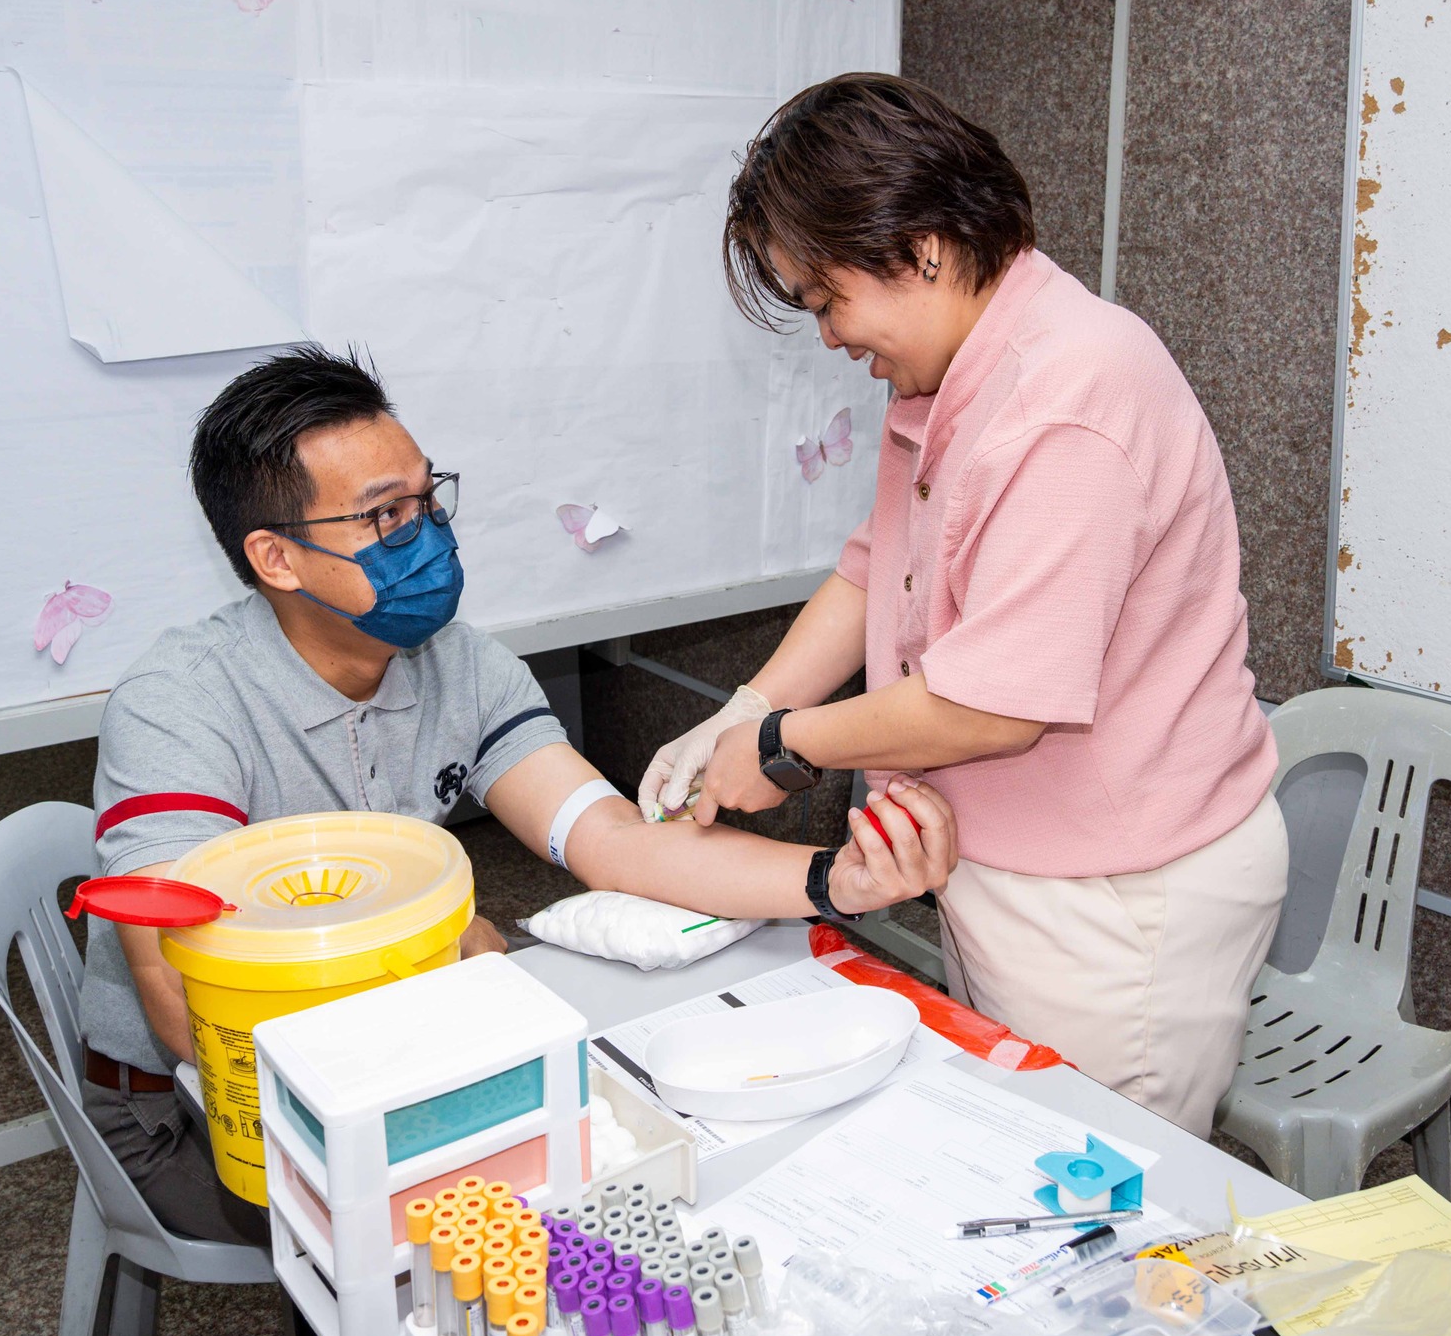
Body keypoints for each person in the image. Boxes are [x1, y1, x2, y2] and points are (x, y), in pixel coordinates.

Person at [79, 345, 958, 1244]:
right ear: (276, 558)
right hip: (194, 1119)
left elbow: (615, 842)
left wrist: (834, 880)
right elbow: (188, 1010)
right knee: (501, 1229)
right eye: (384, 516)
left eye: (427, 499)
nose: (425, 535)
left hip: (382, 1058)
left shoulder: (457, 664)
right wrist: (434, 969)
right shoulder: (180, 705)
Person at [638, 73, 1288, 1138]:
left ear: (925, 244)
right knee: (1014, 1141)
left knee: (1097, 1186)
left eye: (824, 300)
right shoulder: (951, 370)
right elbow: (872, 567)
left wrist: (782, 743)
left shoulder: (1064, 403)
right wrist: (741, 706)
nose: (830, 338)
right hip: (1013, 860)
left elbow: (994, 706)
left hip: (1116, 897)